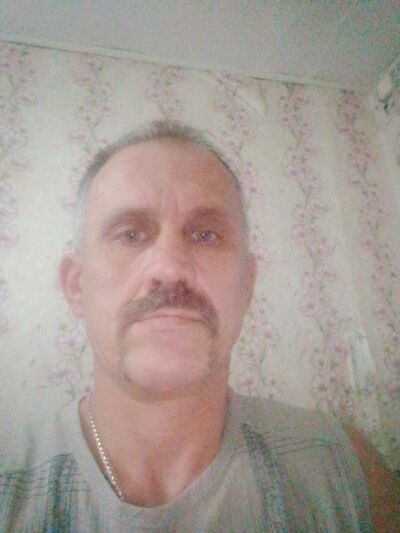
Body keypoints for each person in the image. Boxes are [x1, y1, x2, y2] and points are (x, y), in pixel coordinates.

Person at [0, 120, 398, 531]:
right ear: (76, 285)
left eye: (206, 235)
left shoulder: (346, 471)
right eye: (131, 234)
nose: (170, 268)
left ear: (247, 284)